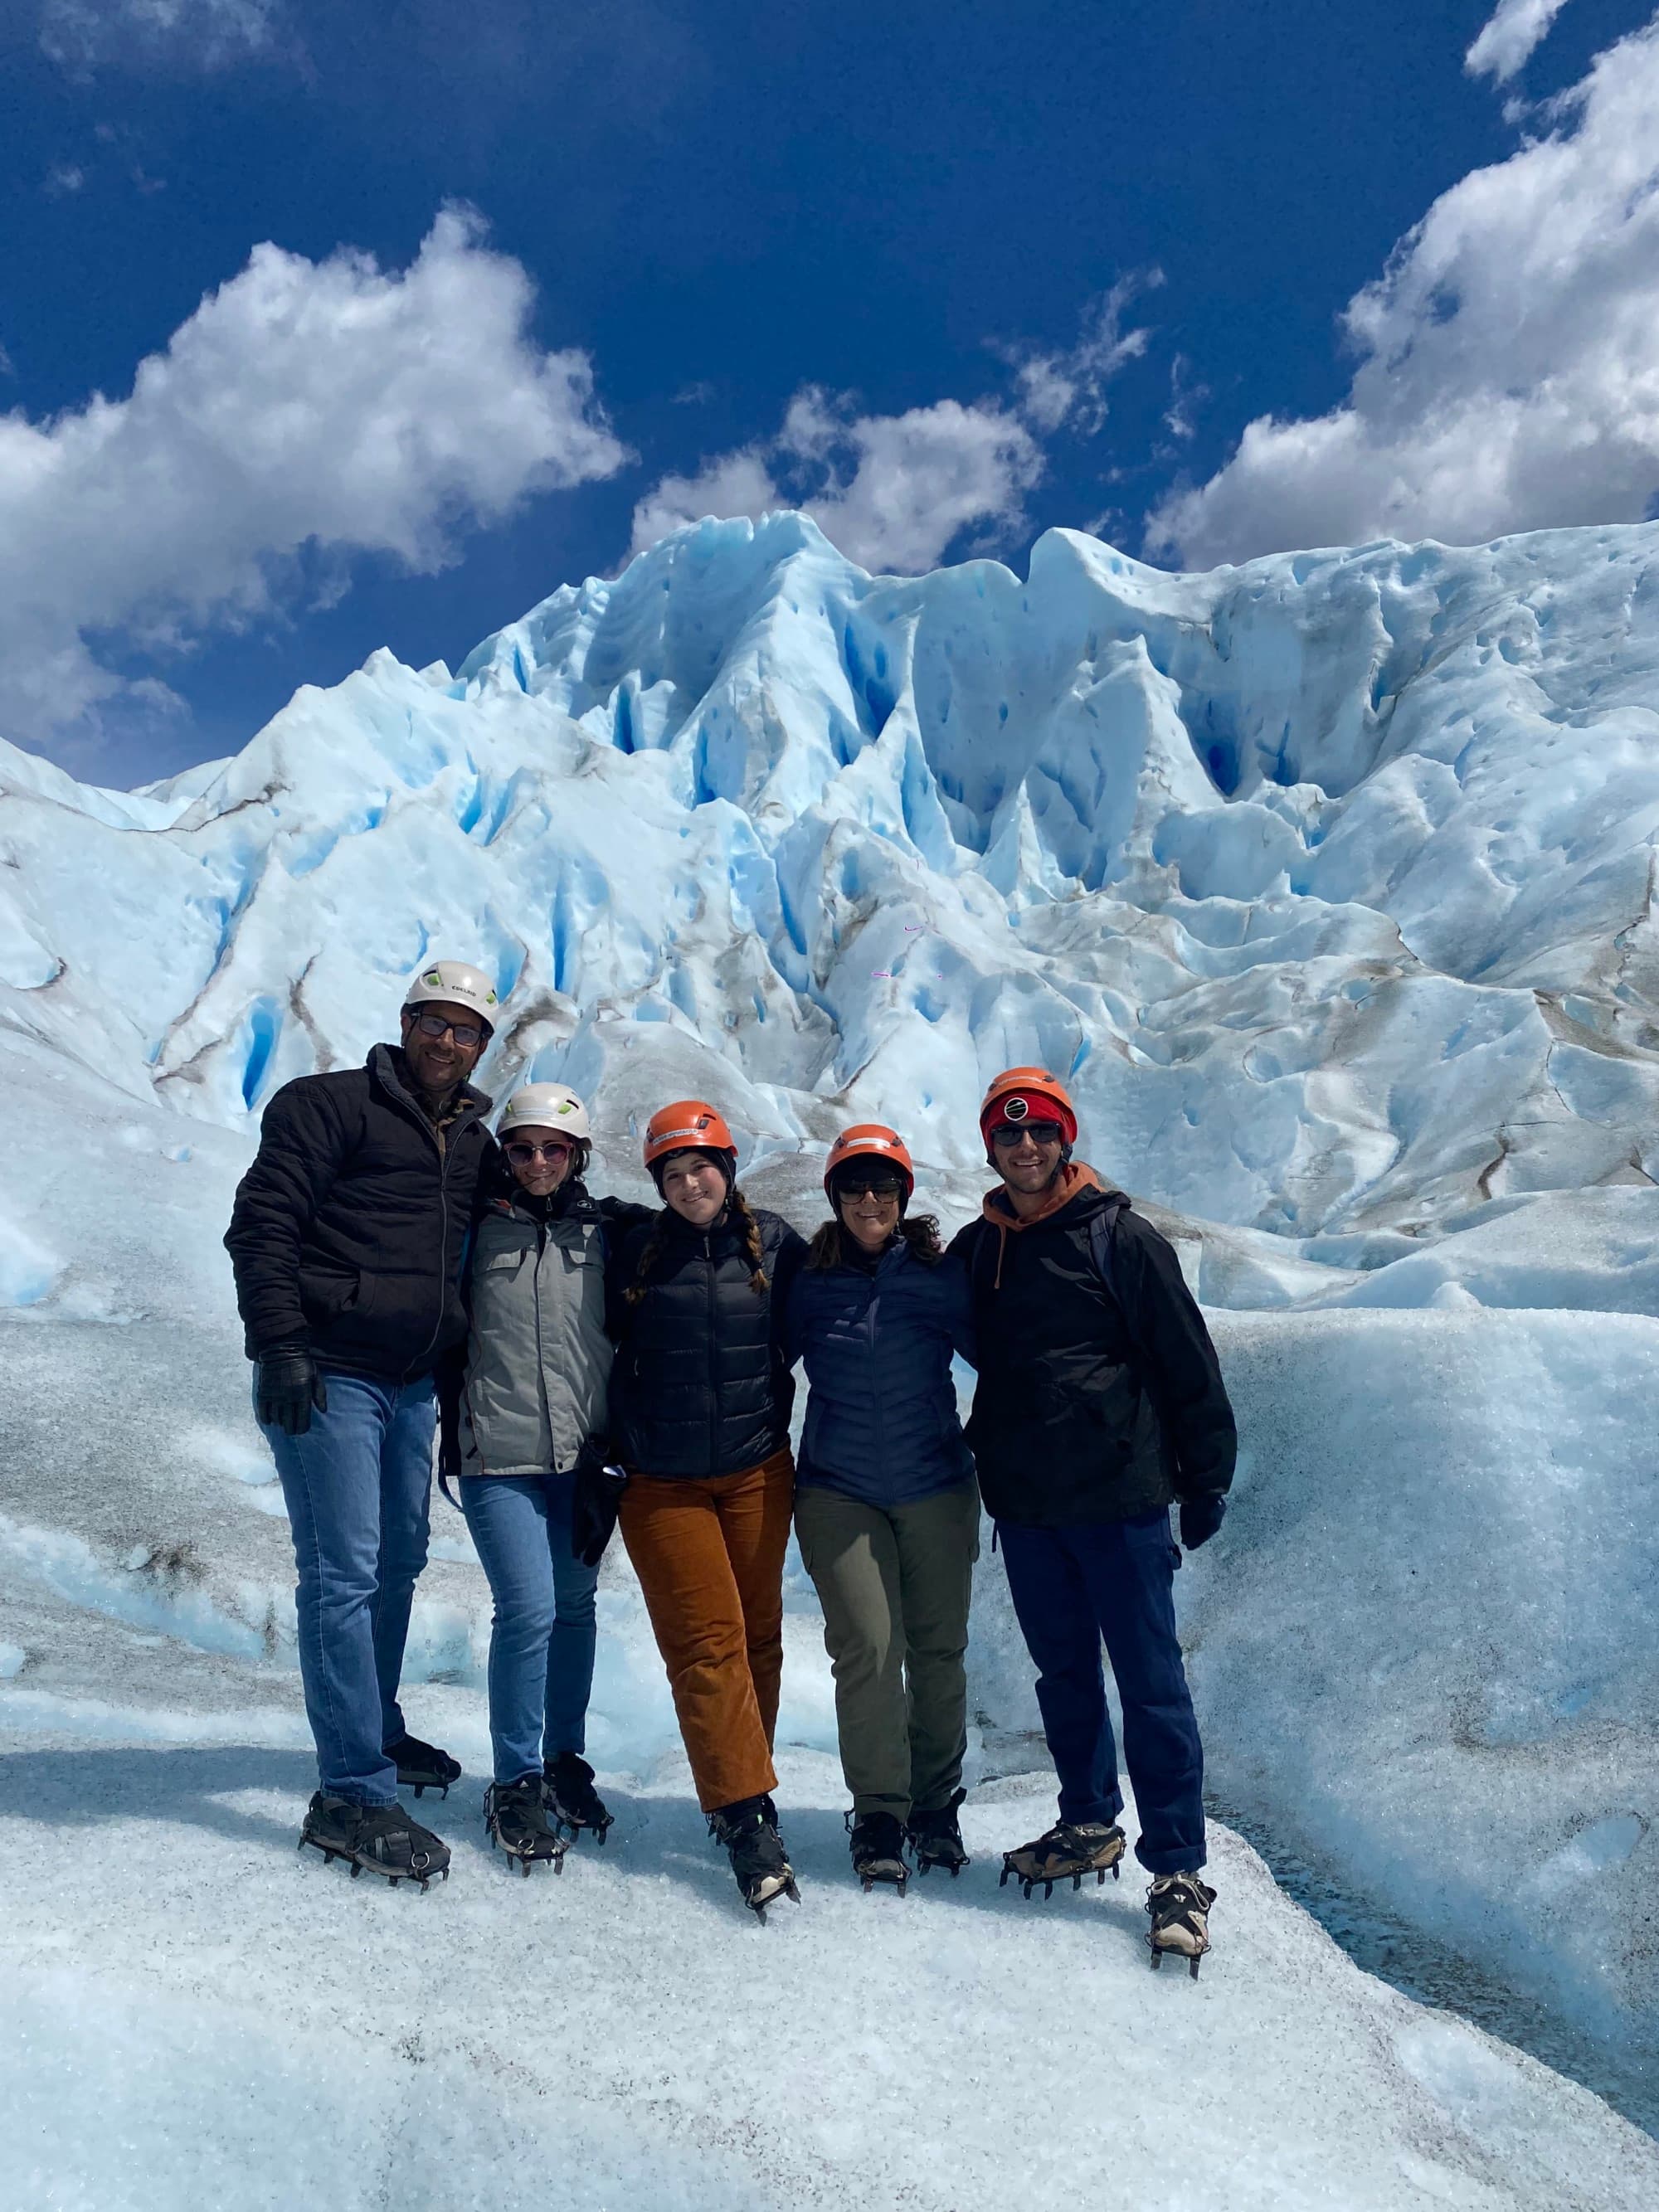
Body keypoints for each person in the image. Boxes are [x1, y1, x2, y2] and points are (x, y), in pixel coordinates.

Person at [949, 1067, 1235, 1976]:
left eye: (1037, 1133)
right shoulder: (978, 1247)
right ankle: (1086, 1822)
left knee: (1151, 1685)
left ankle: (1179, 1869)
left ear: (1063, 1140)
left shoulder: (1121, 1238)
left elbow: (1187, 1359)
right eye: (1006, 1135)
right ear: (990, 1147)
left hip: (1120, 1500)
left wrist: (1204, 1478)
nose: (1023, 1147)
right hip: (1030, 1506)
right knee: (1063, 1676)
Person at [224, 960, 504, 1889]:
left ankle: (371, 1726)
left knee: (397, 1561)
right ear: (405, 1021)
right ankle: (349, 1789)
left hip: (410, 1380)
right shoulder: (327, 1105)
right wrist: (282, 1345)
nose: (447, 1041)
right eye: (435, 1022)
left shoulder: (472, 1140)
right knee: (341, 1572)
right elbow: (261, 1224)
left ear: (480, 1049)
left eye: (466, 1031)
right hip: (329, 1371)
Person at [436, 1082, 649, 1875]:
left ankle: (564, 1757)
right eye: (521, 1148)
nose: (535, 1162)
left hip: (583, 1458)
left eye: (552, 1149)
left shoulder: (606, 1232)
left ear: (578, 1156)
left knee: (574, 1606)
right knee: (526, 1609)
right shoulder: (473, 1228)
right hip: (497, 1453)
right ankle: (516, 1777)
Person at [606, 1101, 808, 1918]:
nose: (690, 1183)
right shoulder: (631, 1249)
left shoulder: (780, 1247)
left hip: (757, 1471)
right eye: (673, 1172)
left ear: (729, 1168)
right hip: (661, 1484)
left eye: (702, 1166)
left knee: (758, 1639)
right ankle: (746, 1818)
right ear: (657, 1181)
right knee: (707, 1647)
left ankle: (740, 1787)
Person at [786, 1125, 980, 1893]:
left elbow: (1007, 1355)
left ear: (905, 1196)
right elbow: (751, 1358)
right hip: (840, 1489)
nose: (871, 1199)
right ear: (835, 1197)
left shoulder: (939, 1275)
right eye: (856, 1186)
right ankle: (878, 1811)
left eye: (885, 1185)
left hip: (935, 1482)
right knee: (869, 1646)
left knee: (938, 1651)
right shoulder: (808, 1279)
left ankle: (935, 1804)